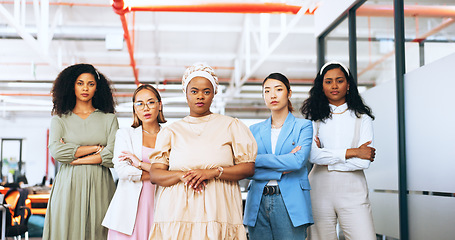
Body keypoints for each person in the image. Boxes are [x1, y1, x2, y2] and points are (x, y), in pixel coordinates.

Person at [148, 62, 257, 240]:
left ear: (214, 94)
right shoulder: (171, 131)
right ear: (186, 93)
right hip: (177, 211)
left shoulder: (231, 126)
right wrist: (181, 175)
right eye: (194, 91)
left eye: (206, 91)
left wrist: (213, 172)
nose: (200, 96)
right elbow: (155, 174)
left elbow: (248, 168)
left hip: (218, 208)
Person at [301, 61, 376, 240]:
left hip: (353, 190)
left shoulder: (362, 118)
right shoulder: (313, 119)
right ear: (321, 86)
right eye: (328, 81)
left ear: (348, 84)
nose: (334, 86)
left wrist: (327, 159)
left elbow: (364, 161)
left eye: (339, 80)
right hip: (319, 190)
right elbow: (312, 155)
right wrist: (353, 152)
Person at [44, 63, 118, 240]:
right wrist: (95, 149)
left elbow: (113, 155)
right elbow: (57, 151)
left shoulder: (109, 119)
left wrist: (76, 157)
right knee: (66, 230)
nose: (85, 88)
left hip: (101, 183)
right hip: (68, 184)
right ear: (72, 86)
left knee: (99, 230)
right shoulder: (59, 120)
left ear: (97, 88)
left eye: (91, 84)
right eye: (80, 83)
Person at [244, 73, 313, 240]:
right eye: (267, 91)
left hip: (290, 201)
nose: (272, 95)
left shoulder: (303, 126)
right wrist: (280, 169)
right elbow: (248, 168)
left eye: (278, 89)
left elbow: (297, 161)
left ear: (289, 93)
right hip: (257, 201)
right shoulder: (254, 130)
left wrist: (260, 160)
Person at [102, 84, 166, 239]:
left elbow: (176, 169)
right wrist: (161, 174)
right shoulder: (125, 135)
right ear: (134, 108)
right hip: (127, 210)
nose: (146, 108)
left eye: (151, 102)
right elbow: (123, 171)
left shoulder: (170, 135)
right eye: (140, 103)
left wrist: (139, 164)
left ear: (159, 105)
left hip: (160, 205)